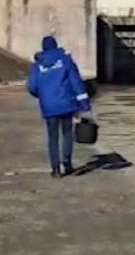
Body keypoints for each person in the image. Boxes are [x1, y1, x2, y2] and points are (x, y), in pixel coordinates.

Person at [27, 35, 92, 178]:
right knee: (67, 134)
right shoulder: (65, 60)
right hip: (66, 104)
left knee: (52, 137)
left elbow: (32, 86)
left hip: (49, 106)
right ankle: (67, 164)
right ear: (56, 46)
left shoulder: (38, 65)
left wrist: (43, 96)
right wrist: (85, 105)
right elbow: (76, 84)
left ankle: (55, 169)